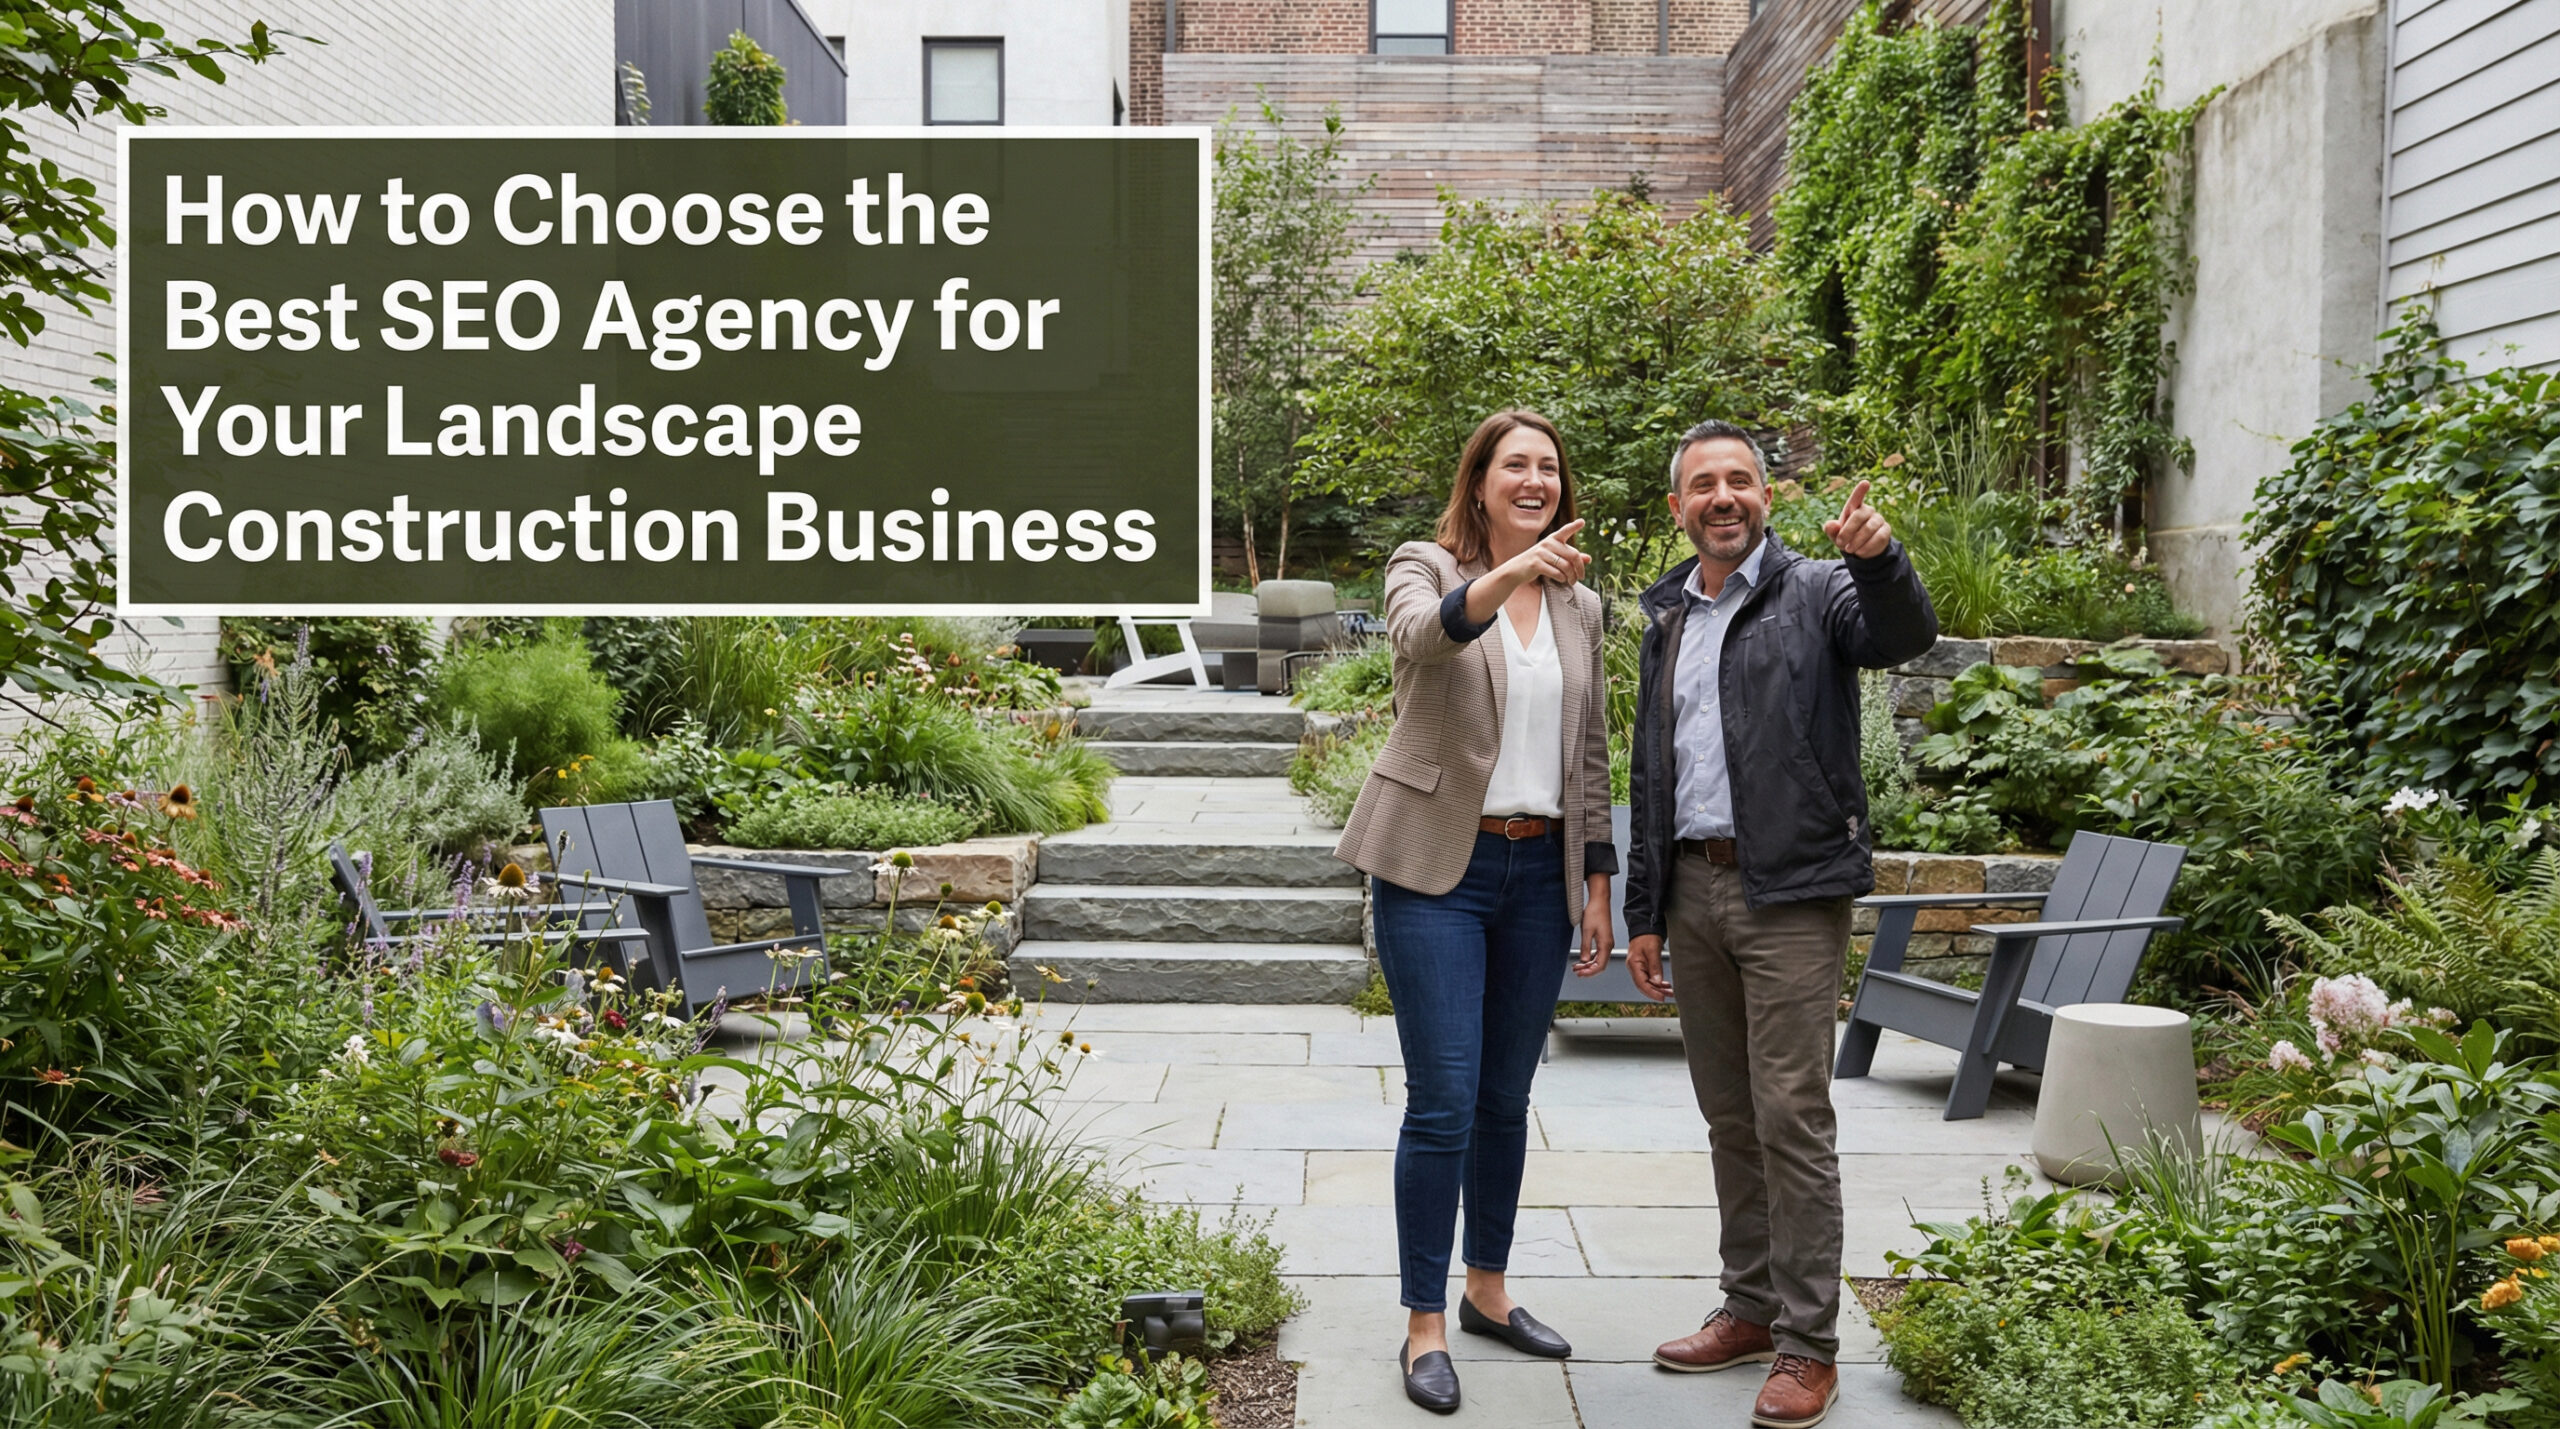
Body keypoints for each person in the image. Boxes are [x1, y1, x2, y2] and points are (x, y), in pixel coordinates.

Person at [1623, 420, 1937, 1429]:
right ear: (1677, 508)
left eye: (1739, 480)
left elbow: (1899, 635)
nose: (1722, 497)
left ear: (1766, 493)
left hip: (1792, 891)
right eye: (1702, 485)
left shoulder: (1819, 590)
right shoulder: (1667, 614)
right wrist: (1643, 908)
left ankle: (1808, 1342)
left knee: (1790, 1115)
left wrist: (1882, 561)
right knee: (1728, 1113)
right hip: (1692, 890)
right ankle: (1748, 1305)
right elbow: (1649, 771)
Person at [1333, 409, 1618, 1415]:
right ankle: (1423, 1324)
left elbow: (1588, 752)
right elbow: (1425, 633)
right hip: (1433, 875)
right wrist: (1512, 572)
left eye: (1548, 467)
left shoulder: (1581, 607)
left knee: (1505, 1096)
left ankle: (1488, 1288)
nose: (1534, 479)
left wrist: (1595, 882)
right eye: (1515, 465)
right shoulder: (1425, 563)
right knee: (1444, 1096)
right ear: (1481, 480)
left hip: (1538, 876)